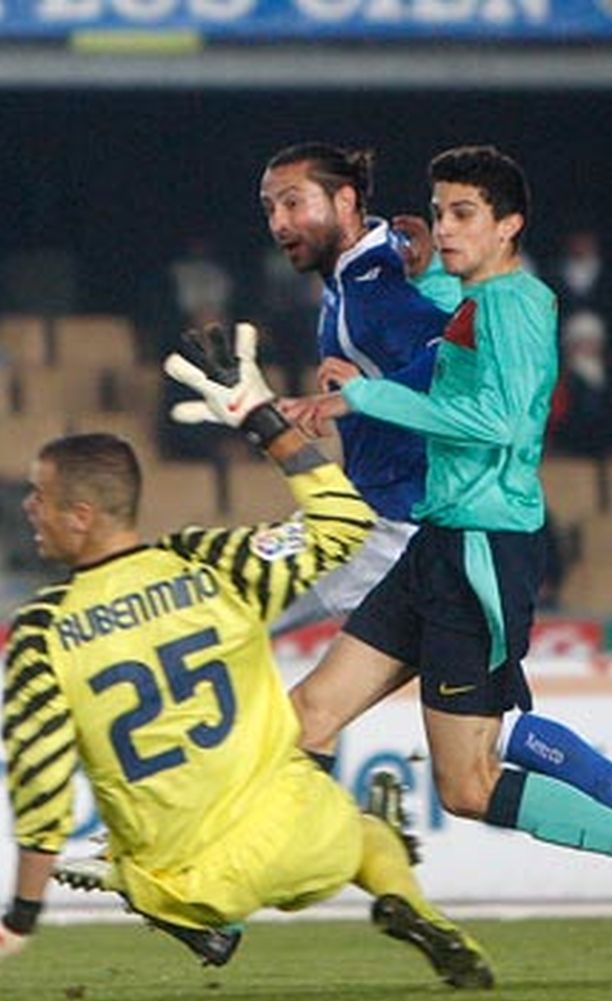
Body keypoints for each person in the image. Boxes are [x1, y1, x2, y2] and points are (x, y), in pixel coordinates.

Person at [0, 328, 490, 987]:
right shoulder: (211, 562)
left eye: (38, 497)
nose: (28, 509)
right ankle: (421, 911)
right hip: (299, 842)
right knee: (367, 835)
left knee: (123, 860)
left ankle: (209, 928)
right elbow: (343, 522)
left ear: (80, 517)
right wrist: (260, 419)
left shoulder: (42, 629)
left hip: (187, 881)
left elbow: (40, 786)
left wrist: (18, 919)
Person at [278, 146, 612, 968]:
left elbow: (503, 426)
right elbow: (442, 360)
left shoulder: (517, 308)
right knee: (306, 717)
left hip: (483, 551)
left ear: (509, 226)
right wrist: (413, 286)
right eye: (439, 210)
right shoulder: (472, 298)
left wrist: (364, 395)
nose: (445, 227)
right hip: (437, 543)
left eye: (463, 215)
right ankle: (251, 894)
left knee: (469, 785)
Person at [252, 143, 460, 637]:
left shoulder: (376, 292)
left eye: (293, 203)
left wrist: (358, 396)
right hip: (377, 512)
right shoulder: (359, 270)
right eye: (270, 209)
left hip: (395, 526)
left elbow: (455, 361)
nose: (278, 223)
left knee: (230, 613)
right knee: (318, 708)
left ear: (344, 201)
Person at [547, 310, 612, 458]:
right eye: (581, 342)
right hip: (571, 449)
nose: (587, 347)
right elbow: (556, 418)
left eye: (592, 342)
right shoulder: (560, 379)